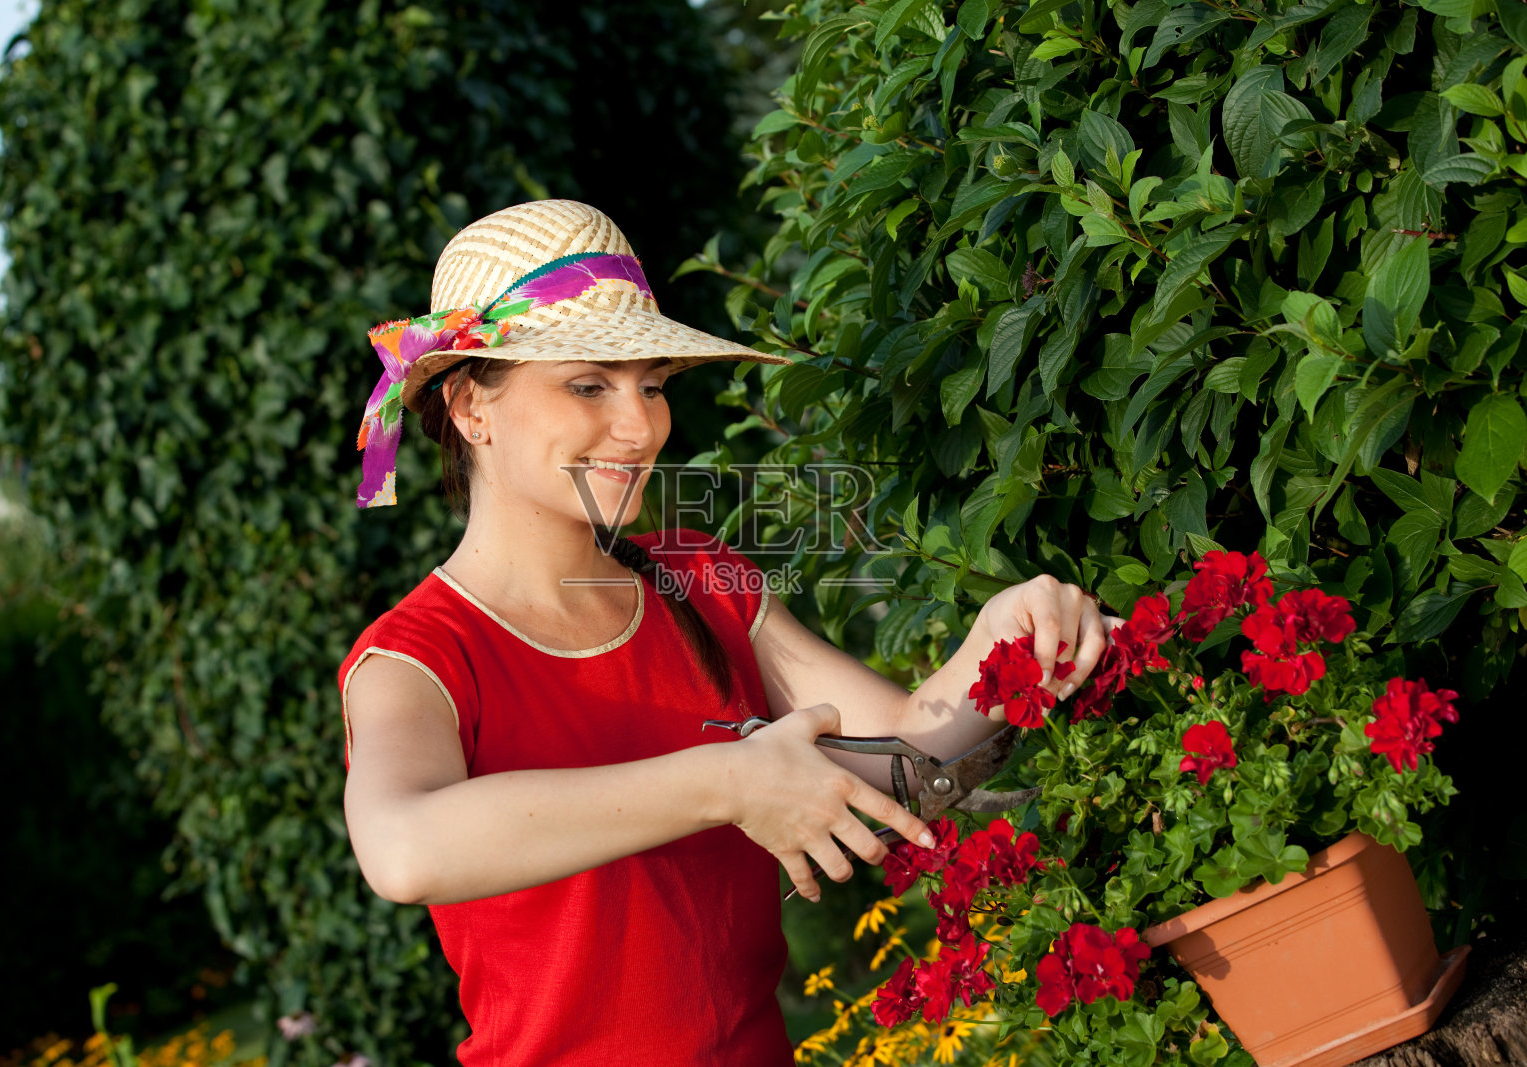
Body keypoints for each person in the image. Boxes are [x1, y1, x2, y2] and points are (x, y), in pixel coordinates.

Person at [338, 200, 1110, 1066]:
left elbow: (907, 765)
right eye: (589, 383)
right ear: (471, 406)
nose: (642, 426)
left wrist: (999, 642)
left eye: (654, 384)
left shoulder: (698, 581)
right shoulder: (419, 659)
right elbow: (403, 848)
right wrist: (724, 782)